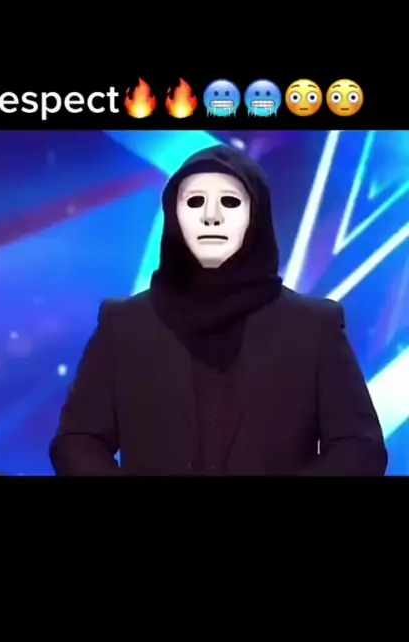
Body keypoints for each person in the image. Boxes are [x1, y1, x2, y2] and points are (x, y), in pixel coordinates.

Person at [49, 146, 387, 476]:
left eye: (230, 201)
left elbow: (360, 446)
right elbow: (77, 440)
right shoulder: (124, 324)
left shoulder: (313, 326)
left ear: (256, 215)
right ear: (174, 215)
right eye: (195, 201)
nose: (212, 216)